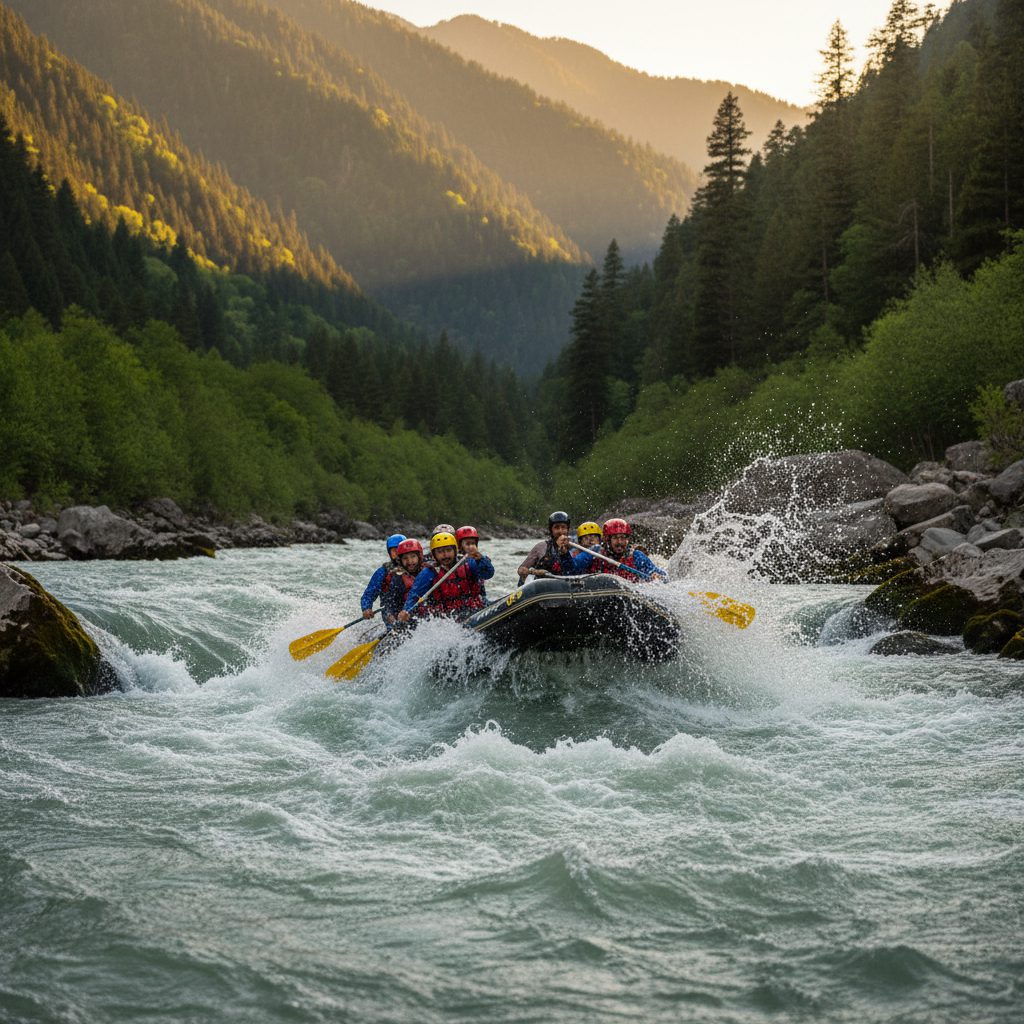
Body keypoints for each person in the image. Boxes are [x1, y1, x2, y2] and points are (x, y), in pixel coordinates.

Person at [398, 531, 494, 621]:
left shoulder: (469, 562)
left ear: (455, 550)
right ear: (434, 554)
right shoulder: (429, 572)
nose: (445, 555)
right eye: (440, 552)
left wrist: (481, 559)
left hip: (475, 610)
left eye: (448, 550)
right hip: (449, 617)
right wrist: (406, 610)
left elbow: (488, 574)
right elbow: (414, 595)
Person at [572, 518, 667, 581]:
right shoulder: (595, 552)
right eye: (615, 538)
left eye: (623, 538)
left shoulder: (636, 556)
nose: (620, 542)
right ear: (607, 540)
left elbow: (663, 576)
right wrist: (564, 554)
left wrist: (657, 576)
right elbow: (571, 568)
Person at [517, 511, 578, 582]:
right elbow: (521, 569)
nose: (560, 531)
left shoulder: (575, 548)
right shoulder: (541, 547)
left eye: (563, 527)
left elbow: (573, 572)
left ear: (568, 529)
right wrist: (527, 571)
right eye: (556, 527)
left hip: (565, 587)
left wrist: (565, 553)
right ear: (551, 530)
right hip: (543, 587)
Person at [360, 533, 406, 619]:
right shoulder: (383, 572)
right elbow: (369, 594)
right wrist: (366, 608)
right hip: (390, 611)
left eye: (400, 550)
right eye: (394, 551)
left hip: (410, 608)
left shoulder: (414, 568)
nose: (397, 553)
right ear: (389, 553)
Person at [380, 538, 424, 626]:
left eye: (413, 556)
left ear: (419, 557)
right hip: (406, 618)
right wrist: (389, 615)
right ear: (400, 560)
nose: (410, 561)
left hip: (426, 615)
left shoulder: (428, 572)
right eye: (405, 558)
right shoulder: (398, 578)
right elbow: (389, 602)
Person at [455, 526, 492, 602]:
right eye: (468, 544)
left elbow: (488, 574)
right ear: (459, 546)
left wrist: (482, 560)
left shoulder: (480, 559)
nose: (471, 546)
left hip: (480, 599)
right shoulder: (455, 561)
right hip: (463, 601)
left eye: (473, 543)